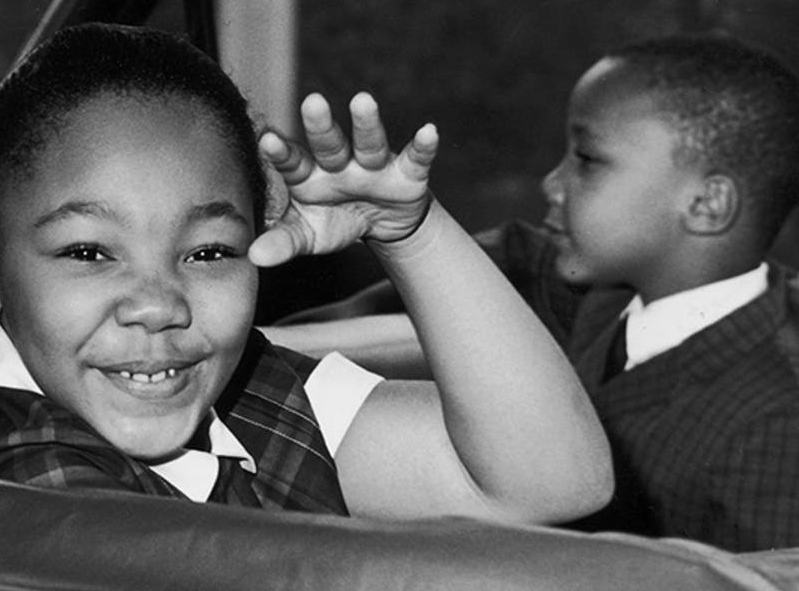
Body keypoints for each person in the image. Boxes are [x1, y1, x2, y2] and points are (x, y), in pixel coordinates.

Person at [0, 23, 611, 522]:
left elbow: (555, 481)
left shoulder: (248, 392)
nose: (158, 304)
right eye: (89, 253)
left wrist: (413, 236)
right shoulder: (18, 490)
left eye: (207, 253)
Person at [274, 34, 799, 550]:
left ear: (707, 205)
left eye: (588, 160)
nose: (552, 183)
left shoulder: (773, 423)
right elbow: (498, 271)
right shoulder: (603, 296)